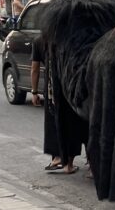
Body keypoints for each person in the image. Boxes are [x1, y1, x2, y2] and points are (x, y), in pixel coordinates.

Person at [31, 34, 79, 174]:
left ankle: (57, 158)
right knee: (70, 122)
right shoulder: (68, 37)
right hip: (69, 86)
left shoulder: (39, 40)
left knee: (53, 121)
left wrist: (34, 92)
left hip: (51, 88)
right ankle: (68, 163)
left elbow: (34, 68)